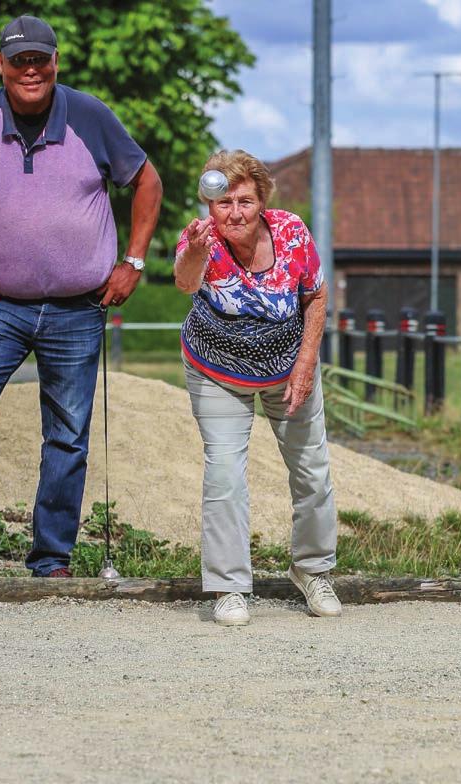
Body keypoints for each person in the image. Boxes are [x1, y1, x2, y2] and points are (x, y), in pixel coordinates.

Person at [0, 15, 163, 578]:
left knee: (67, 433)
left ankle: (52, 557)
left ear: (56, 62)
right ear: (0, 65)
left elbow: (147, 181)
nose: (30, 70)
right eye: (19, 61)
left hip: (79, 308)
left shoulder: (89, 115)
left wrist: (133, 260)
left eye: (41, 59)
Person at [174, 149, 341, 626]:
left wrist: (307, 361)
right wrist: (196, 252)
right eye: (223, 202)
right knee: (225, 474)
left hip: (288, 365)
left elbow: (315, 294)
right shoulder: (200, 239)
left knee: (312, 470)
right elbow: (185, 284)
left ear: (261, 200)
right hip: (217, 369)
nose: (235, 212)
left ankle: (313, 570)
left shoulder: (291, 232)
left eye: (245, 201)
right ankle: (228, 586)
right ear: (210, 204)